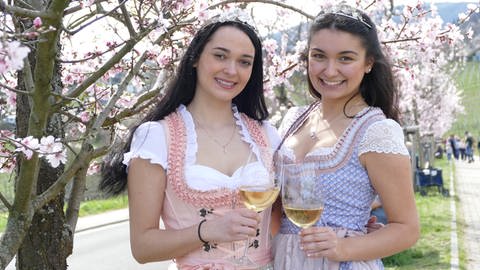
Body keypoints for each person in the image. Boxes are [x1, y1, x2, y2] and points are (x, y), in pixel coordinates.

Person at [100, 16, 281, 269]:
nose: (231, 70)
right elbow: (142, 247)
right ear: (195, 58)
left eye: (244, 62)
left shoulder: (267, 135)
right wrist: (207, 230)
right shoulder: (156, 137)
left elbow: (279, 224)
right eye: (220, 56)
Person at [272, 5, 420, 269]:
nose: (329, 71)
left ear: (368, 63)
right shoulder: (293, 119)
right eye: (319, 56)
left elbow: (407, 228)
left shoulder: (375, 131)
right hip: (283, 260)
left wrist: (343, 247)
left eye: (345, 58)